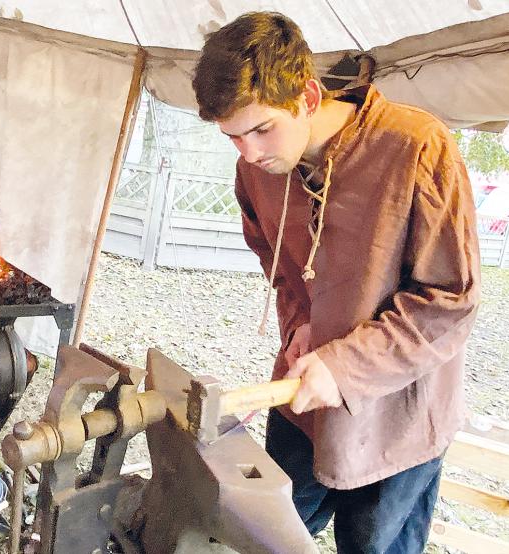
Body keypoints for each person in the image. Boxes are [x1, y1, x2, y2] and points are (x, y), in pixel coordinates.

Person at [192, 12, 480, 553]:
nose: (249, 153)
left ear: (306, 97)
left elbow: (449, 302)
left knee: (371, 546)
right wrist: (301, 323)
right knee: (267, 535)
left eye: (262, 129)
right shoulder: (255, 170)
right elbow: (278, 263)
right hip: (302, 400)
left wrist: (345, 365)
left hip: (395, 417)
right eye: (233, 136)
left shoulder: (417, 146)